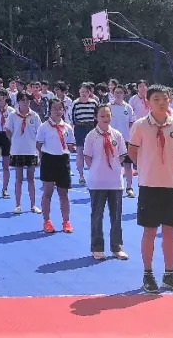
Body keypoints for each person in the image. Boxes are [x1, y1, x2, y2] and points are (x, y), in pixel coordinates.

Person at [128, 83, 173, 294]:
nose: (161, 103)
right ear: (149, 102)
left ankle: (169, 275)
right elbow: (132, 151)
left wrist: (169, 167)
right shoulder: (140, 125)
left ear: (169, 99)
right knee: (150, 231)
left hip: (172, 184)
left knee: (170, 231)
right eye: (156, 100)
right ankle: (148, 274)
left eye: (164, 99)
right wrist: (145, 168)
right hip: (149, 184)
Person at [83, 104, 128, 260]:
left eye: (108, 115)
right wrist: (97, 168)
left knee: (116, 216)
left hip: (115, 181)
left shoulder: (117, 135)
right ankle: (97, 247)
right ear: (96, 117)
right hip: (97, 182)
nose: (105, 119)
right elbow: (87, 157)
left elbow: (122, 155)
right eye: (102, 116)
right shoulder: (91, 136)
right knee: (97, 215)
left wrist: (114, 166)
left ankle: (116, 247)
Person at [37, 98, 75, 234]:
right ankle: (47, 221)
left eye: (60, 109)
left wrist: (71, 147)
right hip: (48, 160)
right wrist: (41, 159)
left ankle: (66, 221)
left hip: (63, 161)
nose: (58, 111)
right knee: (47, 192)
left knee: (63, 194)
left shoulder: (68, 128)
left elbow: (70, 145)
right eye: (55, 109)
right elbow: (39, 145)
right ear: (50, 110)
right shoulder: (44, 127)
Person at [6, 92, 41, 214]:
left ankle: (33, 205)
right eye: (23, 100)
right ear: (18, 101)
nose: (26, 102)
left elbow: (39, 133)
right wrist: (16, 140)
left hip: (31, 150)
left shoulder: (35, 116)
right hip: (17, 150)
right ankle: (18, 205)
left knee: (31, 178)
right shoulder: (12, 115)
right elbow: (8, 130)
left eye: (27, 100)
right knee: (18, 178)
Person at [72, 83, 99, 186]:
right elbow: (73, 118)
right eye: (82, 92)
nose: (84, 94)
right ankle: (81, 176)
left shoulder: (94, 103)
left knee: (94, 153)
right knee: (80, 153)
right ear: (79, 92)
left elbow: (97, 116)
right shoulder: (76, 103)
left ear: (89, 93)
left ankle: (93, 174)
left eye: (86, 92)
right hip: (80, 129)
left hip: (91, 128)